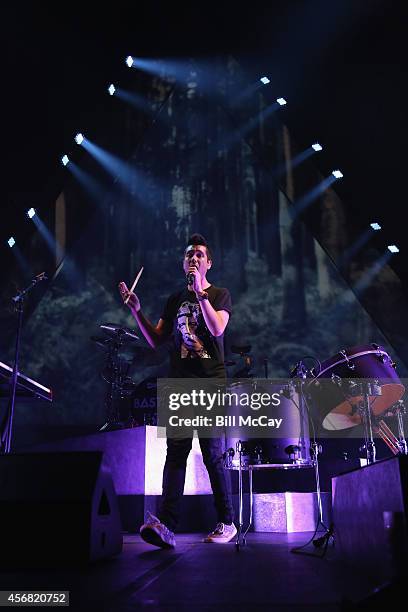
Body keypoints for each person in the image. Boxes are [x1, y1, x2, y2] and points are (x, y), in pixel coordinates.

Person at [119, 233, 236, 547]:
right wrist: (136, 310)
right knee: (175, 455)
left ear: (208, 263)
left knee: (212, 454)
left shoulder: (220, 294)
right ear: (183, 263)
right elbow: (157, 340)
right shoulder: (174, 300)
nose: (194, 258)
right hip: (179, 384)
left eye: (199, 254)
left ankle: (227, 521)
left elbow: (217, 328)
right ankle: (166, 526)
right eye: (189, 255)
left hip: (211, 382)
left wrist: (200, 295)